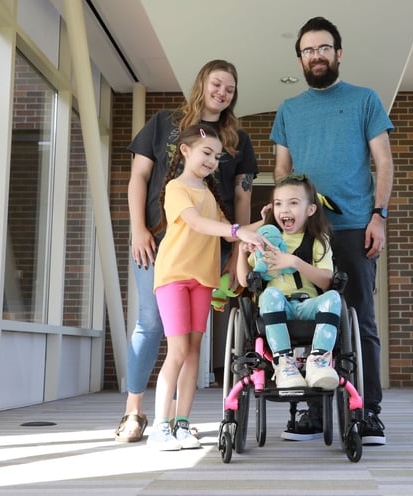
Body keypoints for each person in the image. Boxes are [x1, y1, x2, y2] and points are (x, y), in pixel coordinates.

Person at [115, 59, 258, 443]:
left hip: (207, 246)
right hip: (158, 240)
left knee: (193, 340)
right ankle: (135, 411)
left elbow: (242, 198)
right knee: (150, 322)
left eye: (230, 88)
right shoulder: (163, 122)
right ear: (202, 83)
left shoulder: (237, 140)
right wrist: (138, 228)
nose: (222, 93)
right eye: (216, 84)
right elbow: (139, 177)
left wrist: (237, 250)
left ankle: (179, 418)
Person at [270, 16, 394, 446]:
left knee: (359, 319)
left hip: (354, 226)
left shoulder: (364, 100)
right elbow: (282, 170)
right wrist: (283, 214)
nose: (316, 56)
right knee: (305, 313)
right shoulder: (289, 109)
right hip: (306, 231)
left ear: (338, 54)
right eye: (308, 50)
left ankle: (369, 412)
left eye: (324, 48)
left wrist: (379, 215)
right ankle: (314, 411)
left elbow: (384, 161)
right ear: (300, 57)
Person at [147, 124, 265, 450]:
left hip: (203, 280)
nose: (212, 161)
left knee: (194, 353)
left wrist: (264, 221)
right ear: (185, 151)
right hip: (173, 276)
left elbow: (227, 233)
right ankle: (160, 427)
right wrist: (241, 230)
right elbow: (198, 224)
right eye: (206, 153)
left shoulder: (210, 196)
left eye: (216, 156)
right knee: (178, 350)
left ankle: (182, 424)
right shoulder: (176, 188)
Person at [236, 174, 341, 393]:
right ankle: (284, 363)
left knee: (334, 297)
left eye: (293, 203)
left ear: (310, 210)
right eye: (278, 203)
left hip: (307, 306)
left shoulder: (318, 239)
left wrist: (295, 262)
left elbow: (326, 281)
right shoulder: (265, 240)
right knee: (270, 294)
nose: (285, 209)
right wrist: (240, 251)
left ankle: (318, 361)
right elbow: (243, 280)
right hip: (276, 306)